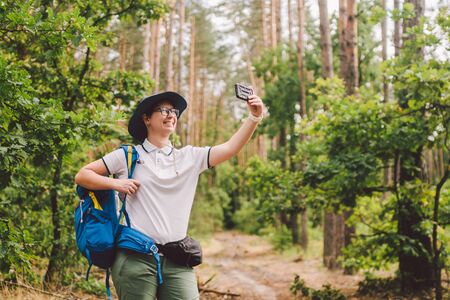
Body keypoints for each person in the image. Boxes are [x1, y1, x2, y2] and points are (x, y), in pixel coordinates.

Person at [75, 90, 264, 299]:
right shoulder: (128, 155)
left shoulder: (190, 157)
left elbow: (230, 148)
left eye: (174, 111)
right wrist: (116, 183)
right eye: (164, 110)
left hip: (178, 259)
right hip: (135, 258)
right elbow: (83, 175)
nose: (171, 114)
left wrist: (254, 117)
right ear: (146, 119)